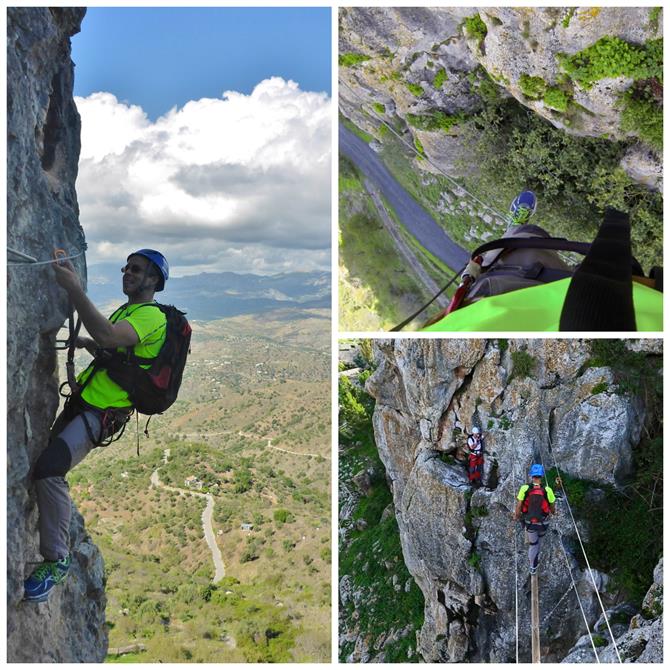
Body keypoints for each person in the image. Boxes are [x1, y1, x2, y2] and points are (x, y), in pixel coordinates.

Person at [23, 249, 170, 602]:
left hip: (99, 414)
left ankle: (57, 560)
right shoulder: (130, 311)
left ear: (154, 280)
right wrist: (88, 343)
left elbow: (108, 336)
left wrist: (74, 289)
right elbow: (116, 355)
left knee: (49, 469)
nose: (127, 272)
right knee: (43, 466)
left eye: (136, 269)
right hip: (86, 405)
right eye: (126, 267)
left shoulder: (152, 317)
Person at [513, 464, 556, 575]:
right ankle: (535, 558)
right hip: (543, 522)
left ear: (532, 476)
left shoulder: (525, 488)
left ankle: (533, 567)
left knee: (533, 544)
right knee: (539, 542)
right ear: (541, 476)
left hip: (530, 522)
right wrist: (554, 513)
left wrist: (517, 516)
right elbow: (552, 507)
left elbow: (519, 505)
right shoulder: (547, 490)